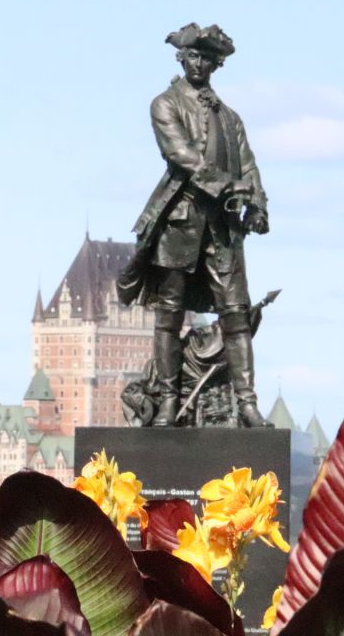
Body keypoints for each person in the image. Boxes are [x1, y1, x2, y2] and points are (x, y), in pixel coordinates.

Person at [117, 23, 271, 428]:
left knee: (236, 315)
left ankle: (248, 403)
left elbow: (249, 163)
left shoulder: (230, 118)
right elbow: (181, 156)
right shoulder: (165, 104)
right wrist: (228, 185)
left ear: (216, 64)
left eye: (206, 57)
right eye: (192, 56)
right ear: (181, 59)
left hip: (222, 230)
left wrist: (257, 204)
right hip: (180, 224)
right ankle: (168, 400)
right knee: (168, 315)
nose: (198, 63)